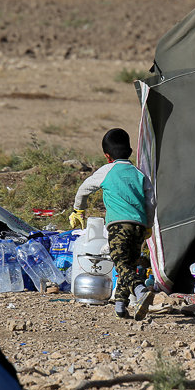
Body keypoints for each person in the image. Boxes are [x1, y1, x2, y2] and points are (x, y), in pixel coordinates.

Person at [70, 128, 154, 320]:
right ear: (130, 152)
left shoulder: (107, 171)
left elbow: (84, 190)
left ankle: (141, 291)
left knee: (120, 264)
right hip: (139, 227)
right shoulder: (140, 174)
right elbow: (151, 201)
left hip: (118, 226)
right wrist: (148, 225)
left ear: (107, 156)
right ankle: (120, 305)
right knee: (129, 266)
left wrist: (78, 210)